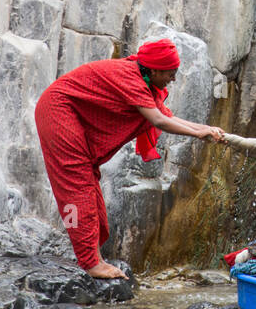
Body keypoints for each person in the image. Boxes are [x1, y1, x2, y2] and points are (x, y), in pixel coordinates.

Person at [34, 39, 225, 278]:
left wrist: (206, 130)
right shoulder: (130, 78)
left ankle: (91, 256)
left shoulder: (144, 80)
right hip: (57, 111)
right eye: (171, 73)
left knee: (88, 182)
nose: (173, 79)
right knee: (76, 184)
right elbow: (158, 120)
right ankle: (91, 262)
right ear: (154, 70)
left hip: (66, 111)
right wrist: (199, 133)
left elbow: (167, 116)